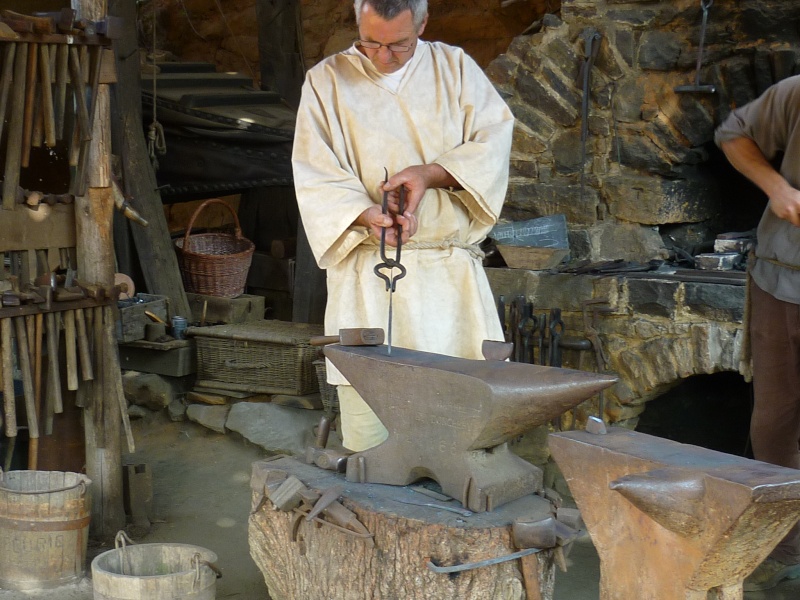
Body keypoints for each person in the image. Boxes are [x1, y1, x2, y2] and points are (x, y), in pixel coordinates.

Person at [292, 0, 514, 452]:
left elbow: (493, 143)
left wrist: (430, 174)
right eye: (370, 42)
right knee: (372, 434)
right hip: (368, 275)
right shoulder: (327, 81)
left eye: (398, 45)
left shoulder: (455, 68)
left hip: (448, 278)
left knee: (459, 420)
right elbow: (315, 171)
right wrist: (366, 215)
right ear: (358, 24)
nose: (383, 56)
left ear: (423, 24)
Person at [715, 75, 800, 591]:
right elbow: (733, 133)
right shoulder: (795, 94)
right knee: (775, 423)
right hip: (778, 278)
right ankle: (783, 548)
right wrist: (778, 188)